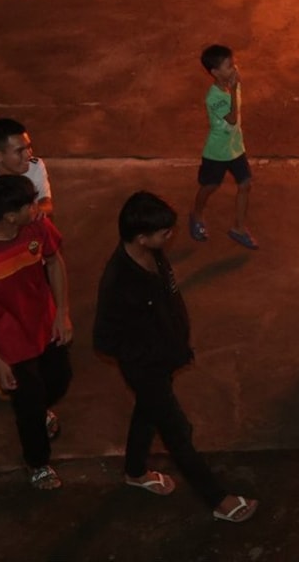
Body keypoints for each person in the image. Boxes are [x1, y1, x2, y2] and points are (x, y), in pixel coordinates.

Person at [94, 191, 257, 522]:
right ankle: (218, 500)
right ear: (141, 237)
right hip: (147, 368)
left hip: (165, 359)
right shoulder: (119, 281)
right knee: (177, 431)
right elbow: (105, 340)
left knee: (147, 412)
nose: (171, 237)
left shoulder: (152, 254)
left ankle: (135, 471)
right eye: (164, 233)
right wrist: (151, 355)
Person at [0, 173, 73, 492]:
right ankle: (37, 463)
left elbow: (53, 262)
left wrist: (61, 313)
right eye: (30, 205)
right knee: (29, 405)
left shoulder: (37, 228)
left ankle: (37, 408)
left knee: (60, 379)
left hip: (45, 324)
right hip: (10, 340)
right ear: (10, 216)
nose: (37, 208)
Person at [190, 43, 257, 250]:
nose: (234, 69)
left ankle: (238, 228)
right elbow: (231, 118)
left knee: (245, 184)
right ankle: (196, 215)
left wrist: (234, 83)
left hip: (236, 148)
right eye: (229, 66)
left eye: (233, 64)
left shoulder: (230, 83)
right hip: (217, 153)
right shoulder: (214, 97)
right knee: (210, 186)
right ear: (215, 72)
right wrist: (235, 87)